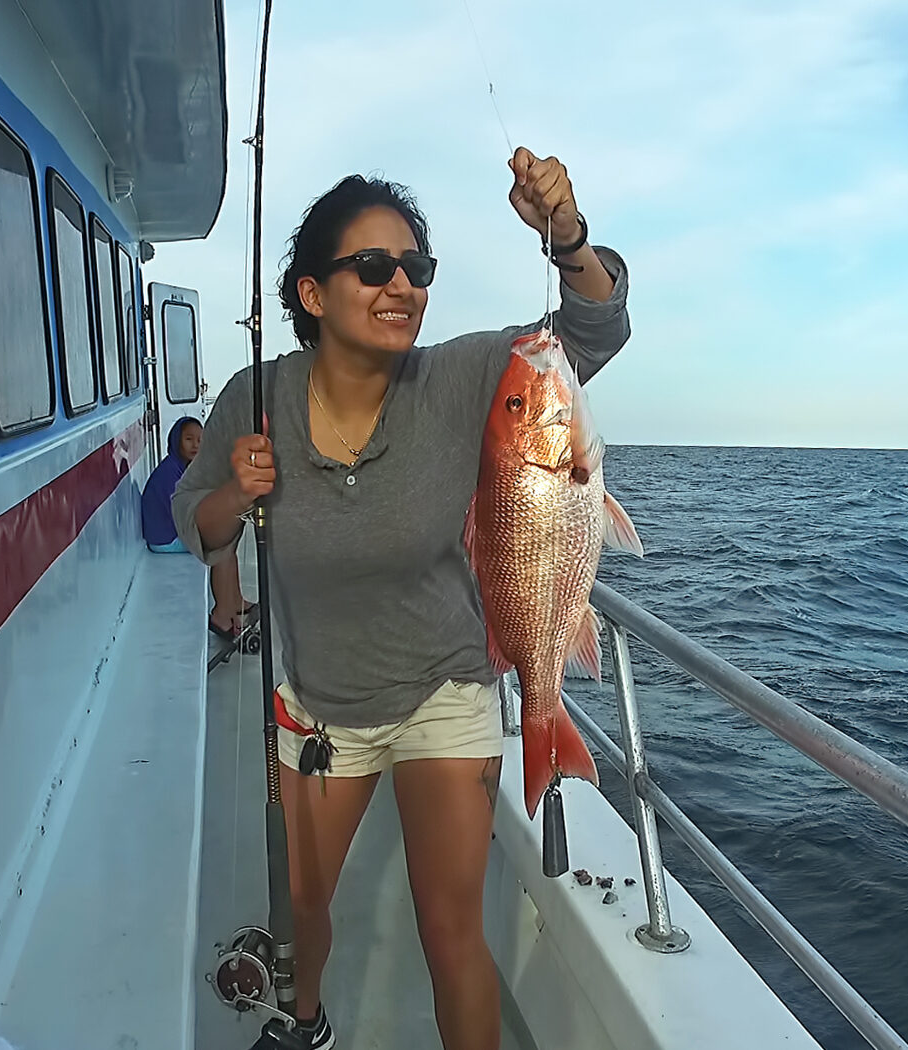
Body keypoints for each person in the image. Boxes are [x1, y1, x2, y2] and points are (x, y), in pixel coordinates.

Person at [172, 147, 631, 1050]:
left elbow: (591, 330)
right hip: (326, 702)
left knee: (450, 930)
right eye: (372, 267)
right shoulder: (253, 399)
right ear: (311, 294)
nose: (401, 286)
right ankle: (304, 1022)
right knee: (303, 909)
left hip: (446, 689)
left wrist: (567, 235)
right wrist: (234, 491)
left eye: (416, 269)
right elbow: (200, 524)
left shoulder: (458, 379)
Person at [142, 416, 253, 638]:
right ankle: (221, 615)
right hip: (165, 540)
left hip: (172, 531)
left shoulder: (180, 467)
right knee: (221, 545)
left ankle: (235, 601)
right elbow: (186, 517)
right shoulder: (171, 474)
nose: (195, 445)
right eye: (189, 439)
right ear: (176, 441)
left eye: (201, 440)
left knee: (230, 534)